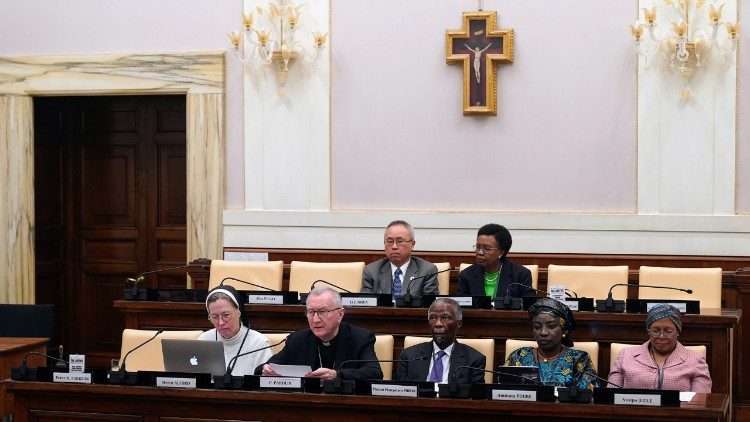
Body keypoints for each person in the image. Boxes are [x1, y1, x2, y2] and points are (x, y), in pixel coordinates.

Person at [259, 287, 383, 380]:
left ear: (340, 314)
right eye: (311, 312)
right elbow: (265, 368)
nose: (315, 319)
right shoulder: (297, 340)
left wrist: (336, 374)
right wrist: (266, 369)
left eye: (323, 311)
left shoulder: (361, 338)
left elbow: (374, 373)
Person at [608, 304, 712, 392]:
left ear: (678, 331)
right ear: (648, 331)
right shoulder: (626, 355)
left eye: (668, 331)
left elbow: (701, 401)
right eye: (656, 330)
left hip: (679, 415)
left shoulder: (695, 360)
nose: (661, 336)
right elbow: (610, 395)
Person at [505, 298, 598, 391]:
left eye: (551, 326)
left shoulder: (579, 359)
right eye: (537, 327)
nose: (543, 332)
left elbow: (588, 395)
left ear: (564, 331)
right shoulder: (519, 356)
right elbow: (502, 391)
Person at [396, 298, 485, 384]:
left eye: (445, 318)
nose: (438, 324)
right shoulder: (409, 356)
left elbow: (476, 396)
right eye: (433, 318)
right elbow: (400, 394)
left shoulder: (474, 360)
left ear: (459, 323)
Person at [198, 285, 272, 376]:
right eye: (215, 317)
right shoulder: (204, 340)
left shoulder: (259, 343)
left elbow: (264, 383)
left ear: (238, 312)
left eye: (226, 315)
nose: (221, 322)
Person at [362, 220, 438, 298]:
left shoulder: (427, 271)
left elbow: (429, 305)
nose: (394, 246)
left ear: (412, 244)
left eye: (400, 241)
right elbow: (366, 305)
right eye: (390, 241)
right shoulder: (371, 271)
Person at [458, 223, 533, 299]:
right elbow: (461, 307)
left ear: (501, 252)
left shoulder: (520, 275)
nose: (480, 252)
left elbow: (529, 306)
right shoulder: (467, 275)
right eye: (478, 247)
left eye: (487, 248)